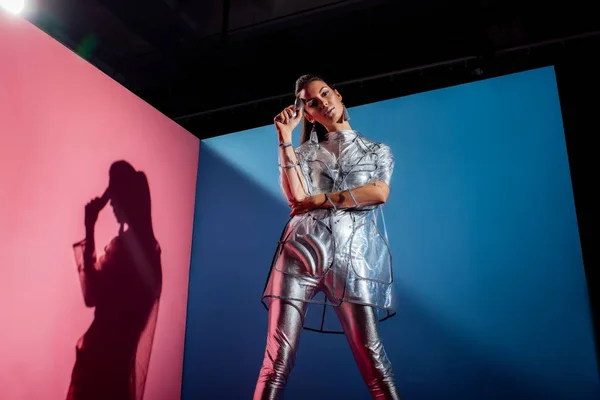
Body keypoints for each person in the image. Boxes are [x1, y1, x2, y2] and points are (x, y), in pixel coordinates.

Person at [254, 74, 400, 399]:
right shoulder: (305, 153)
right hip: (298, 253)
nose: (323, 103)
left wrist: (319, 200)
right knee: (277, 359)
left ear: (338, 94)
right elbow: (296, 198)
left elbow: (378, 193)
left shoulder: (377, 151)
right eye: (312, 102)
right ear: (308, 113)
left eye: (325, 94)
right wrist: (283, 137)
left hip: (350, 259)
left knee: (373, 359)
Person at [67, 161, 162, 400]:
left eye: (114, 196)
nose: (110, 205)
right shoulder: (151, 253)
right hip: (116, 370)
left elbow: (92, 294)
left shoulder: (126, 251)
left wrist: (90, 227)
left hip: (100, 367)